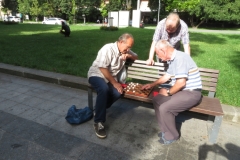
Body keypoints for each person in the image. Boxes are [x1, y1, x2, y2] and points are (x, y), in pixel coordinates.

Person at [142, 40, 202, 145]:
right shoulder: (173, 60)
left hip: (191, 93)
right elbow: (167, 76)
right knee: (157, 100)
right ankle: (165, 130)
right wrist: (152, 84)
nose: (158, 57)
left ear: (163, 51)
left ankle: (173, 135)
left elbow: (181, 83)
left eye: (158, 53)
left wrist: (169, 92)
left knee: (165, 108)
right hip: (181, 91)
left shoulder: (180, 58)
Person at [87, 33, 138, 139]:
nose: (128, 49)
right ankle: (98, 122)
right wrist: (115, 83)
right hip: (97, 74)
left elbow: (136, 56)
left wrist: (129, 55)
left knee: (118, 93)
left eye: (130, 48)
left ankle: (99, 109)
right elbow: (102, 68)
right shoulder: (108, 48)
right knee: (104, 89)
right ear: (120, 42)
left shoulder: (125, 50)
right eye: (128, 47)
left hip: (109, 78)